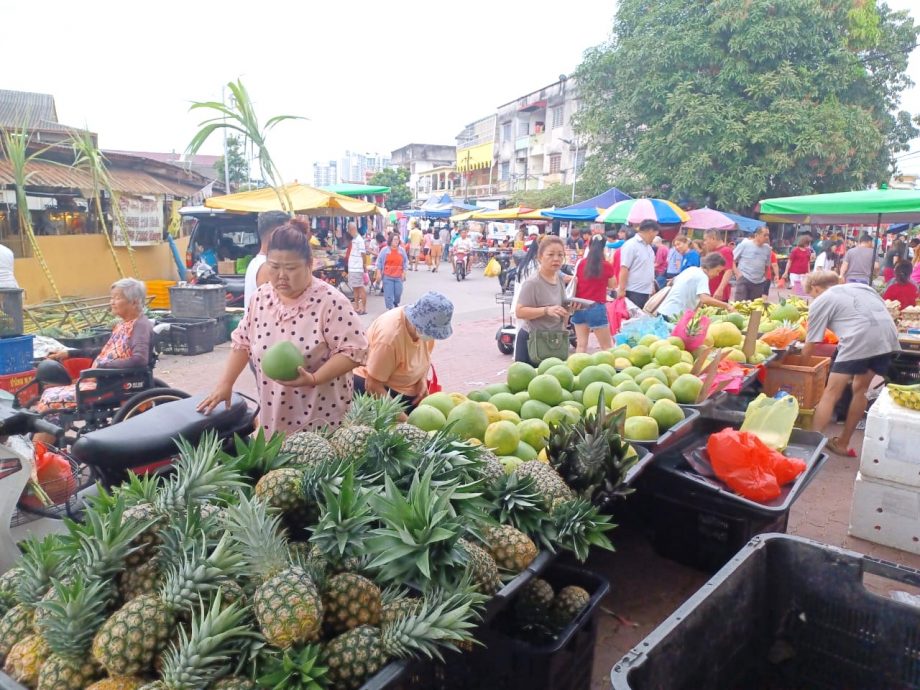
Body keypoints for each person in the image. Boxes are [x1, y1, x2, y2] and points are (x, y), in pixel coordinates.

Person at [198, 220, 368, 435]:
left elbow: (355, 351)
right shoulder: (261, 298)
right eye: (274, 266)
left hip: (322, 421)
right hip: (274, 416)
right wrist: (226, 384)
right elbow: (242, 342)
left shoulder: (330, 302)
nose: (281, 276)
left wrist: (315, 378)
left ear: (310, 264)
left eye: (291, 268)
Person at [803, 270, 899, 457]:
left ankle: (810, 448)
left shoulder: (820, 301)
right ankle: (843, 443)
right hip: (887, 336)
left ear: (815, 288)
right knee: (860, 389)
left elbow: (810, 345)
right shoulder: (862, 287)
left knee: (830, 394)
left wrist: (802, 367)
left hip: (859, 338)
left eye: (811, 294)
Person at [36, 278, 153, 418]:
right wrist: (70, 353)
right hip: (102, 380)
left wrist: (105, 366)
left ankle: (45, 438)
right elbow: (103, 351)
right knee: (49, 392)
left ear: (134, 301)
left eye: (117, 298)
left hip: (113, 384)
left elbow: (140, 359)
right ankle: (48, 436)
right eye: (112, 298)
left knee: (50, 399)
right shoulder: (123, 325)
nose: (112, 302)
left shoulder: (140, 326)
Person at [353, 292, 454, 410]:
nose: (432, 337)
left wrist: (421, 381)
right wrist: (405, 420)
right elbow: (373, 385)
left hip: (407, 390)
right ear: (417, 323)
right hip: (379, 392)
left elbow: (424, 359)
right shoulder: (389, 339)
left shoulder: (425, 331)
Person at [514, 236, 570, 366]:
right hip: (533, 342)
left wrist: (571, 308)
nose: (556, 259)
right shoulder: (533, 283)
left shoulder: (559, 279)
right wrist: (546, 310)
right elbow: (520, 311)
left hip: (553, 341)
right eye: (550, 254)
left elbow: (561, 307)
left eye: (560, 255)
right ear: (540, 257)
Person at [571, 235, 617, 352]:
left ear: (589, 246)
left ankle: (575, 369)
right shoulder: (606, 265)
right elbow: (612, 285)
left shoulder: (581, 263)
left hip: (579, 305)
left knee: (581, 345)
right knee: (606, 347)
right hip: (596, 307)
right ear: (604, 248)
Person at [657, 253, 735, 318]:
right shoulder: (703, 276)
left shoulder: (692, 269)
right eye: (717, 271)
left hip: (663, 311)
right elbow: (705, 299)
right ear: (710, 266)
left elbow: (670, 283)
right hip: (673, 315)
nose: (717, 274)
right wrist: (727, 306)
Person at [244, 211, 289, 310]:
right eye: (287, 233)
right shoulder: (267, 266)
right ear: (274, 234)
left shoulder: (256, 262)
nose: (290, 238)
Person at [616, 220, 659, 308]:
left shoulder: (648, 248)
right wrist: (621, 289)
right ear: (651, 231)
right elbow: (624, 268)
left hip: (645, 290)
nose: (655, 237)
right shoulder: (631, 245)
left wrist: (652, 286)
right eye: (655, 234)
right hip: (633, 290)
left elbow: (649, 268)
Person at [732, 226, 772, 300]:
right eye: (765, 235)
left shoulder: (768, 249)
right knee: (740, 305)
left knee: (755, 308)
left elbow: (767, 266)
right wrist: (737, 274)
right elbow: (732, 259)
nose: (767, 237)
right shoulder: (745, 244)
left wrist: (765, 279)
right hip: (744, 279)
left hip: (759, 282)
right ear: (756, 235)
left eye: (768, 235)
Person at [376, 233, 409, 310]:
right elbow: (379, 262)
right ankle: (390, 309)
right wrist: (378, 272)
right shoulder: (385, 250)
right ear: (390, 240)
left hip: (398, 276)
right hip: (387, 276)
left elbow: (405, 262)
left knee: (398, 293)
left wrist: (404, 272)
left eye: (397, 239)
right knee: (388, 295)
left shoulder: (402, 250)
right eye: (394, 239)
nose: (396, 241)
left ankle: (395, 302)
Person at [702, 230, 734, 301]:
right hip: (710, 291)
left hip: (717, 293)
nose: (705, 243)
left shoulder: (725, 251)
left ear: (713, 238)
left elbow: (728, 271)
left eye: (706, 240)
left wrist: (720, 289)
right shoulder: (714, 251)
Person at [345, 222, 367, 315]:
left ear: (352, 229)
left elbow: (363, 254)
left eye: (349, 230)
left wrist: (364, 265)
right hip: (353, 268)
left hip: (357, 268)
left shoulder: (359, 240)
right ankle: (357, 307)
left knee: (360, 287)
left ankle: (363, 308)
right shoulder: (355, 240)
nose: (349, 233)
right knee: (355, 288)